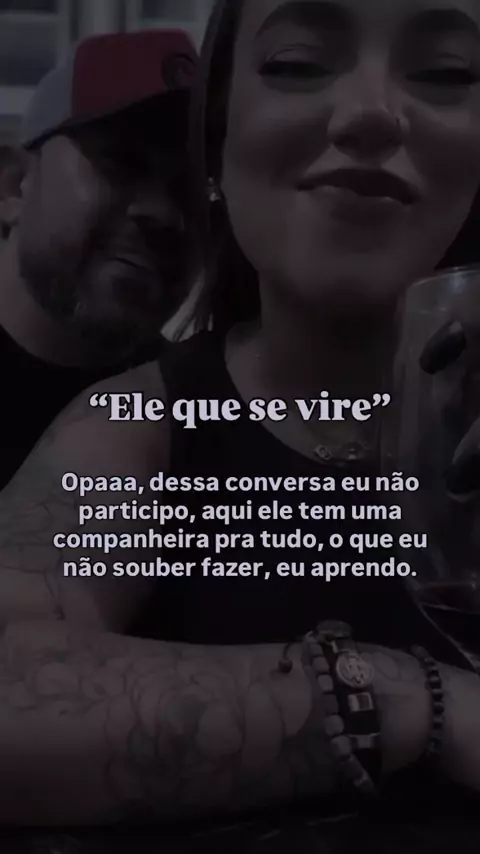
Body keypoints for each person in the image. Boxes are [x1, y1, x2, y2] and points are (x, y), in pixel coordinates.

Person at [2, 0, 480, 827]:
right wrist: (401, 696)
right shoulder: (138, 424)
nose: (372, 110)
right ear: (220, 149)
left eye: (446, 72)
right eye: (296, 62)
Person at [0, 29, 198, 489]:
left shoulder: (204, 422)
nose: (164, 214)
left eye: (190, 190)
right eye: (120, 164)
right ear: (14, 186)